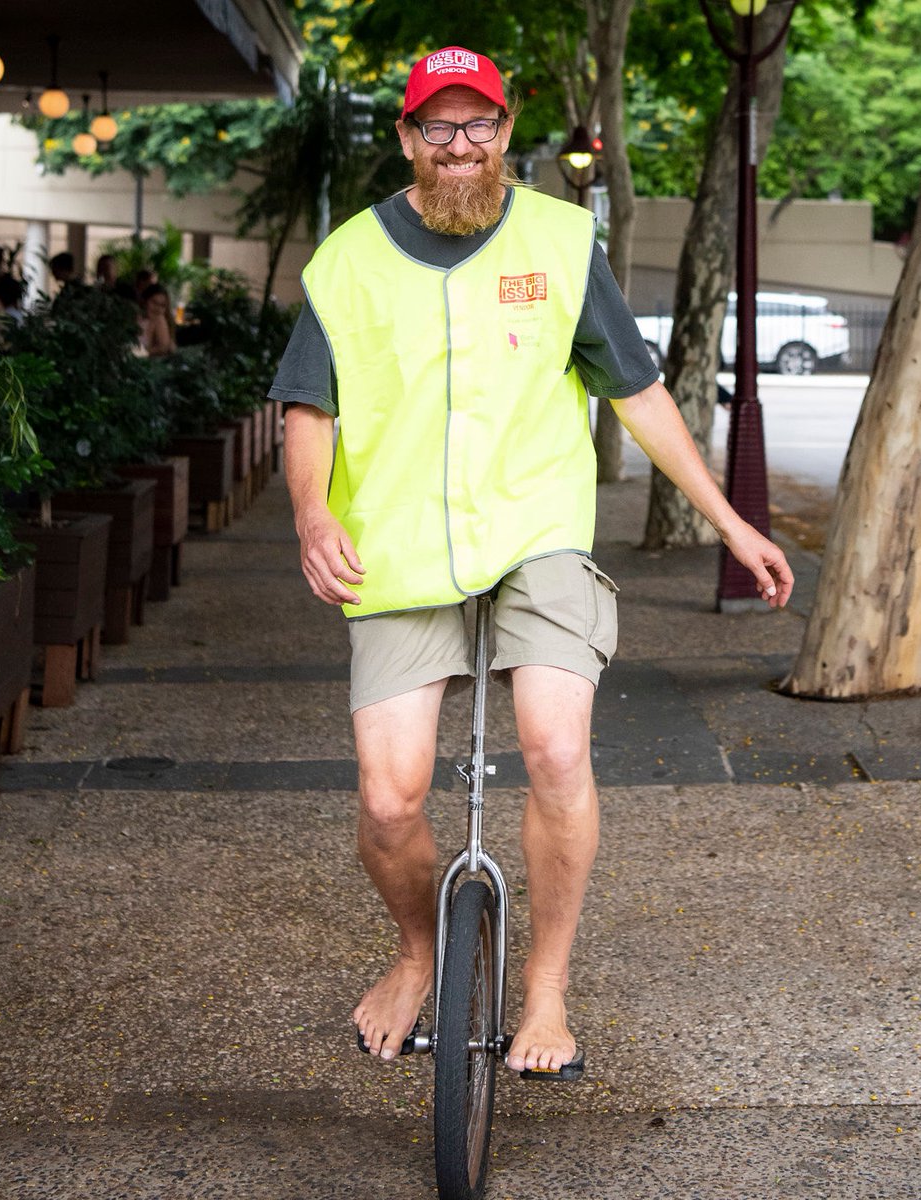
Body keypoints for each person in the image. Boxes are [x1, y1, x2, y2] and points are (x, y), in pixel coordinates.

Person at [272, 46, 794, 1076]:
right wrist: (310, 516)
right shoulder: (347, 260)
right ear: (408, 138)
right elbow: (307, 408)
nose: (460, 145)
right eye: (438, 126)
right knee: (390, 799)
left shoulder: (561, 240)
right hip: (397, 546)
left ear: (506, 132)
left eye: (480, 125)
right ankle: (418, 953)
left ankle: (546, 991)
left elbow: (638, 392)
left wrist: (732, 523)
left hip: (536, 531)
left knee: (556, 749)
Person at [138, 283, 176, 357]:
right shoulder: (136, 317)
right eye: (154, 302)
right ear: (145, 301)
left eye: (162, 305)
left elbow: (163, 348)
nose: (158, 308)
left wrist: (141, 353)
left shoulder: (159, 319)